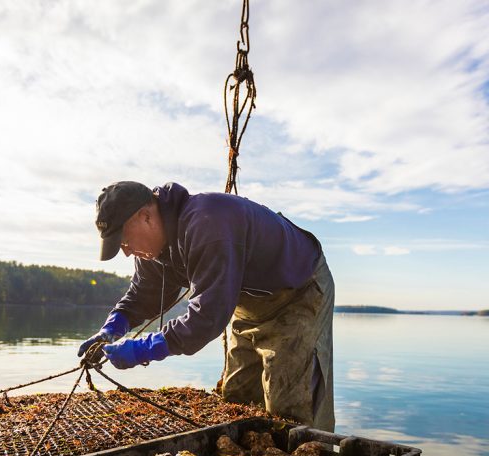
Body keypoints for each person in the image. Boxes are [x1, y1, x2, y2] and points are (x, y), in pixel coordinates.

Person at [78, 181, 335, 431]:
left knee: (289, 408)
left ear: (145, 216)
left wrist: (144, 348)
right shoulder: (151, 251)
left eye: (124, 241)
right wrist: (113, 326)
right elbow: (143, 294)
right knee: (239, 398)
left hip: (297, 292)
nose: (126, 252)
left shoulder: (208, 223)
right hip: (246, 304)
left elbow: (206, 318)